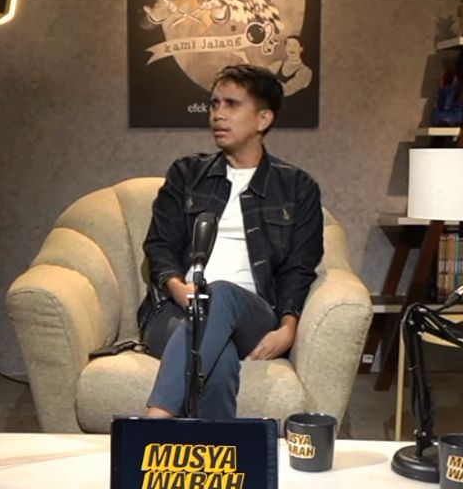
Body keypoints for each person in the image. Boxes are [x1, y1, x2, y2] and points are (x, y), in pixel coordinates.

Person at [138, 64, 324, 420]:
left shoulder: (298, 188)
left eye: (232, 104)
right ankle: (217, 450)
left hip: (251, 314)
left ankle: (154, 425)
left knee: (220, 292)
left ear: (263, 119)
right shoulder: (186, 174)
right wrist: (180, 290)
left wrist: (287, 328)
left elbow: (299, 269)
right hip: (176, 309)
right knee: (219, 361)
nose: (218, 114)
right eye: (214, 104)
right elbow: (160, 245)